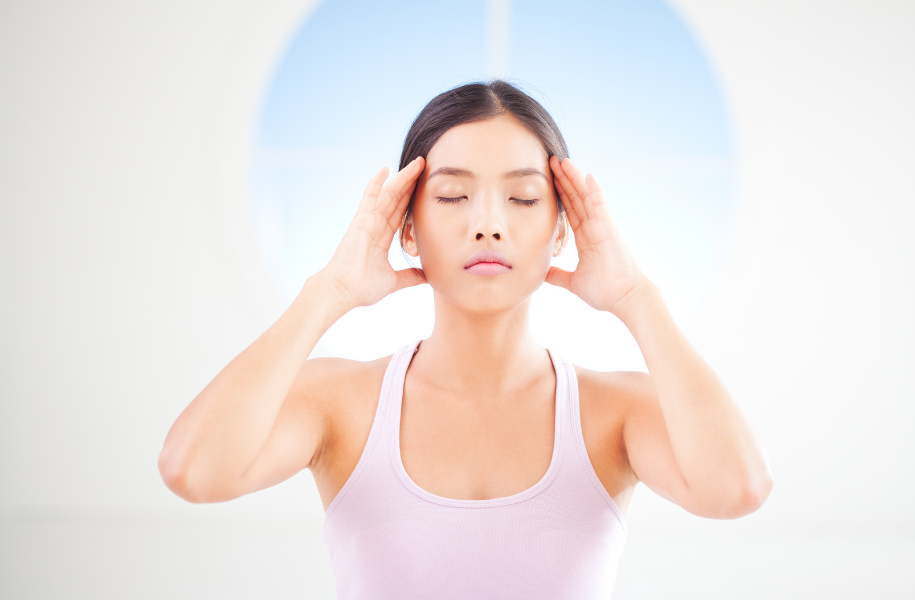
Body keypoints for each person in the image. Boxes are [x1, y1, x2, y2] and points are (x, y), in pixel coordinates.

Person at [158, 80, 773, 598]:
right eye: (452, 195)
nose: (488, 224)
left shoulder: (617, 413)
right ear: (406, 226)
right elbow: (194, 470)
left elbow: (737, 489)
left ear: (562, 230)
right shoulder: (338, 404)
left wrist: (639, 301)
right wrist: (332, 290)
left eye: (523, 197)